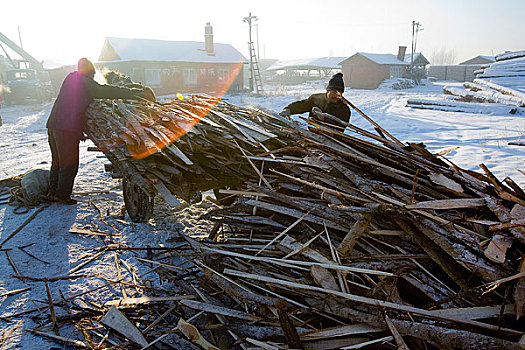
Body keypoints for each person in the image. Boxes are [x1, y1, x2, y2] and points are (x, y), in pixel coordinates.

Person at [46, 57, 155, 205]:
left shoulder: (71, 78)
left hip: (54, 125)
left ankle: (52, 193)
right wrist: (135, 93)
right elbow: (103, 91)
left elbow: (72, 105)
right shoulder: (84, 81)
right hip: (66, 128)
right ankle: (62, 195)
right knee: (69, 164)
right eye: (92, 75)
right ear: (89, 72)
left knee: (58, 162)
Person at [280, 72, 350, 130]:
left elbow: (339, 130)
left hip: (330, 141)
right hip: (311, 135)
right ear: (328, 90)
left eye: (339, 92)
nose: (336, 95)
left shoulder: (344, 109)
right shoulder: (316, 99)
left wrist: (324, 119)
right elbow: (302, 105)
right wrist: (289, 109)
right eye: (334, 91)